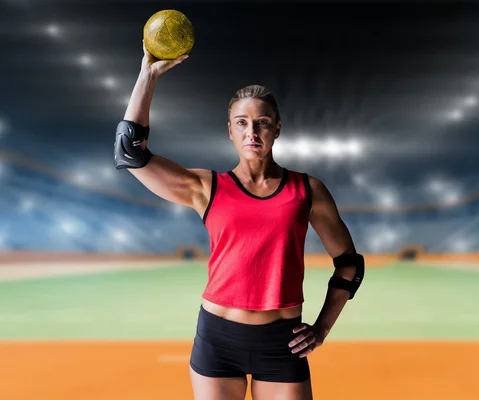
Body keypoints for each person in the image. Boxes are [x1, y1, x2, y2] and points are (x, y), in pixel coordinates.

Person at [113, 41, 365, 400]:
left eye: (262, 123)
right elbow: (128, 151)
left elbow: (350, 264)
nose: (252, 132)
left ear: (277, 129)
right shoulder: (206, 188)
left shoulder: (308, 190)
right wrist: (147, 74)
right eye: (242, 123)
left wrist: (322, 328)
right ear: (230, 130)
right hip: (218, 339)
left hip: (283, 341)